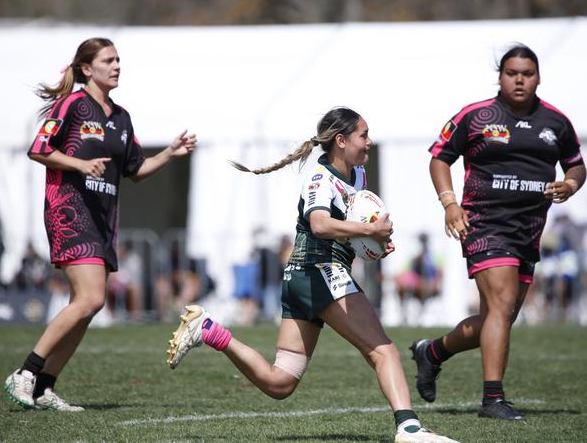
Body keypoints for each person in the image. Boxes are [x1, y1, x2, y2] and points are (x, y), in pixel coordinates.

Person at [166, 107, 458, 443]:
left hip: (303, 279)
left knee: (280, 383)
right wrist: (368, 229)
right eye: (363, 135)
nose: (369, 142)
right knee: (383, 350)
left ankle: (208, 330)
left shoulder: (358, 176)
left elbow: (349, 231)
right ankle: (409, 429)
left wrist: (371, 242)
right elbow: (319, 224)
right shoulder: (320, 179)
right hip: (319, 272)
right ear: (341, 140)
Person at [4, 37, 197, 411]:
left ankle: (44, 387)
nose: (117, 66)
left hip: (104, 221)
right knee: (91, 298)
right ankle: (25, 373)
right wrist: (79, 165)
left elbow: (136, 170)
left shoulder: (121, 117)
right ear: (87, 69)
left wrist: (170, 153)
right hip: (70, 212)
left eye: (119, 60)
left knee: (90, 304)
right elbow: (39, 149)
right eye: (109, 60)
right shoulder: (73, 105)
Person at [411, 44, 585, 420]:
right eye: (511, 73)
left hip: (529, 231)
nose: (519, 79)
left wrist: (570, 185)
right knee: (502, 307)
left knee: (499, 317)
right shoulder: (476, 116)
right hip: (483, 224)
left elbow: (576, 165)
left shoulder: (556, 122)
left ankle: (432, 352)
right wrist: (450, 203)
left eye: (527, 73)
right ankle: (493, 400)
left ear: (538, 77)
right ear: (501, 76)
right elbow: (440, 157)